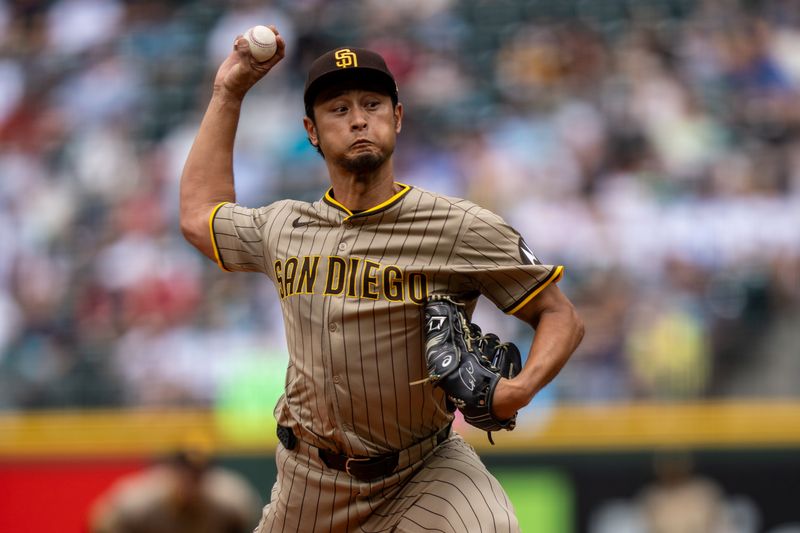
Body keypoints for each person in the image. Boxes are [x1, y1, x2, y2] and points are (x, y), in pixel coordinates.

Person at [179, 26, 584, 532]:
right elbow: (199, 217)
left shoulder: (458, 227)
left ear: (397, 117)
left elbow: (560, 315)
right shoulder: (283, 226)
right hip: (310, 481)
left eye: (372, 104)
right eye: (339, 109)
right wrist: (228, 92)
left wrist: (519, 390)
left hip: (424, 471)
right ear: (311, 130)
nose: (358, 120)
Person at [88, 449, 263, 533]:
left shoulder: (230, 502)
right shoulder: (140, 501)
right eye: (184, 476)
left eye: (196, 477)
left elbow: (250, 521)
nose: (189, 484)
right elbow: (101, 521)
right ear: (171, 474)